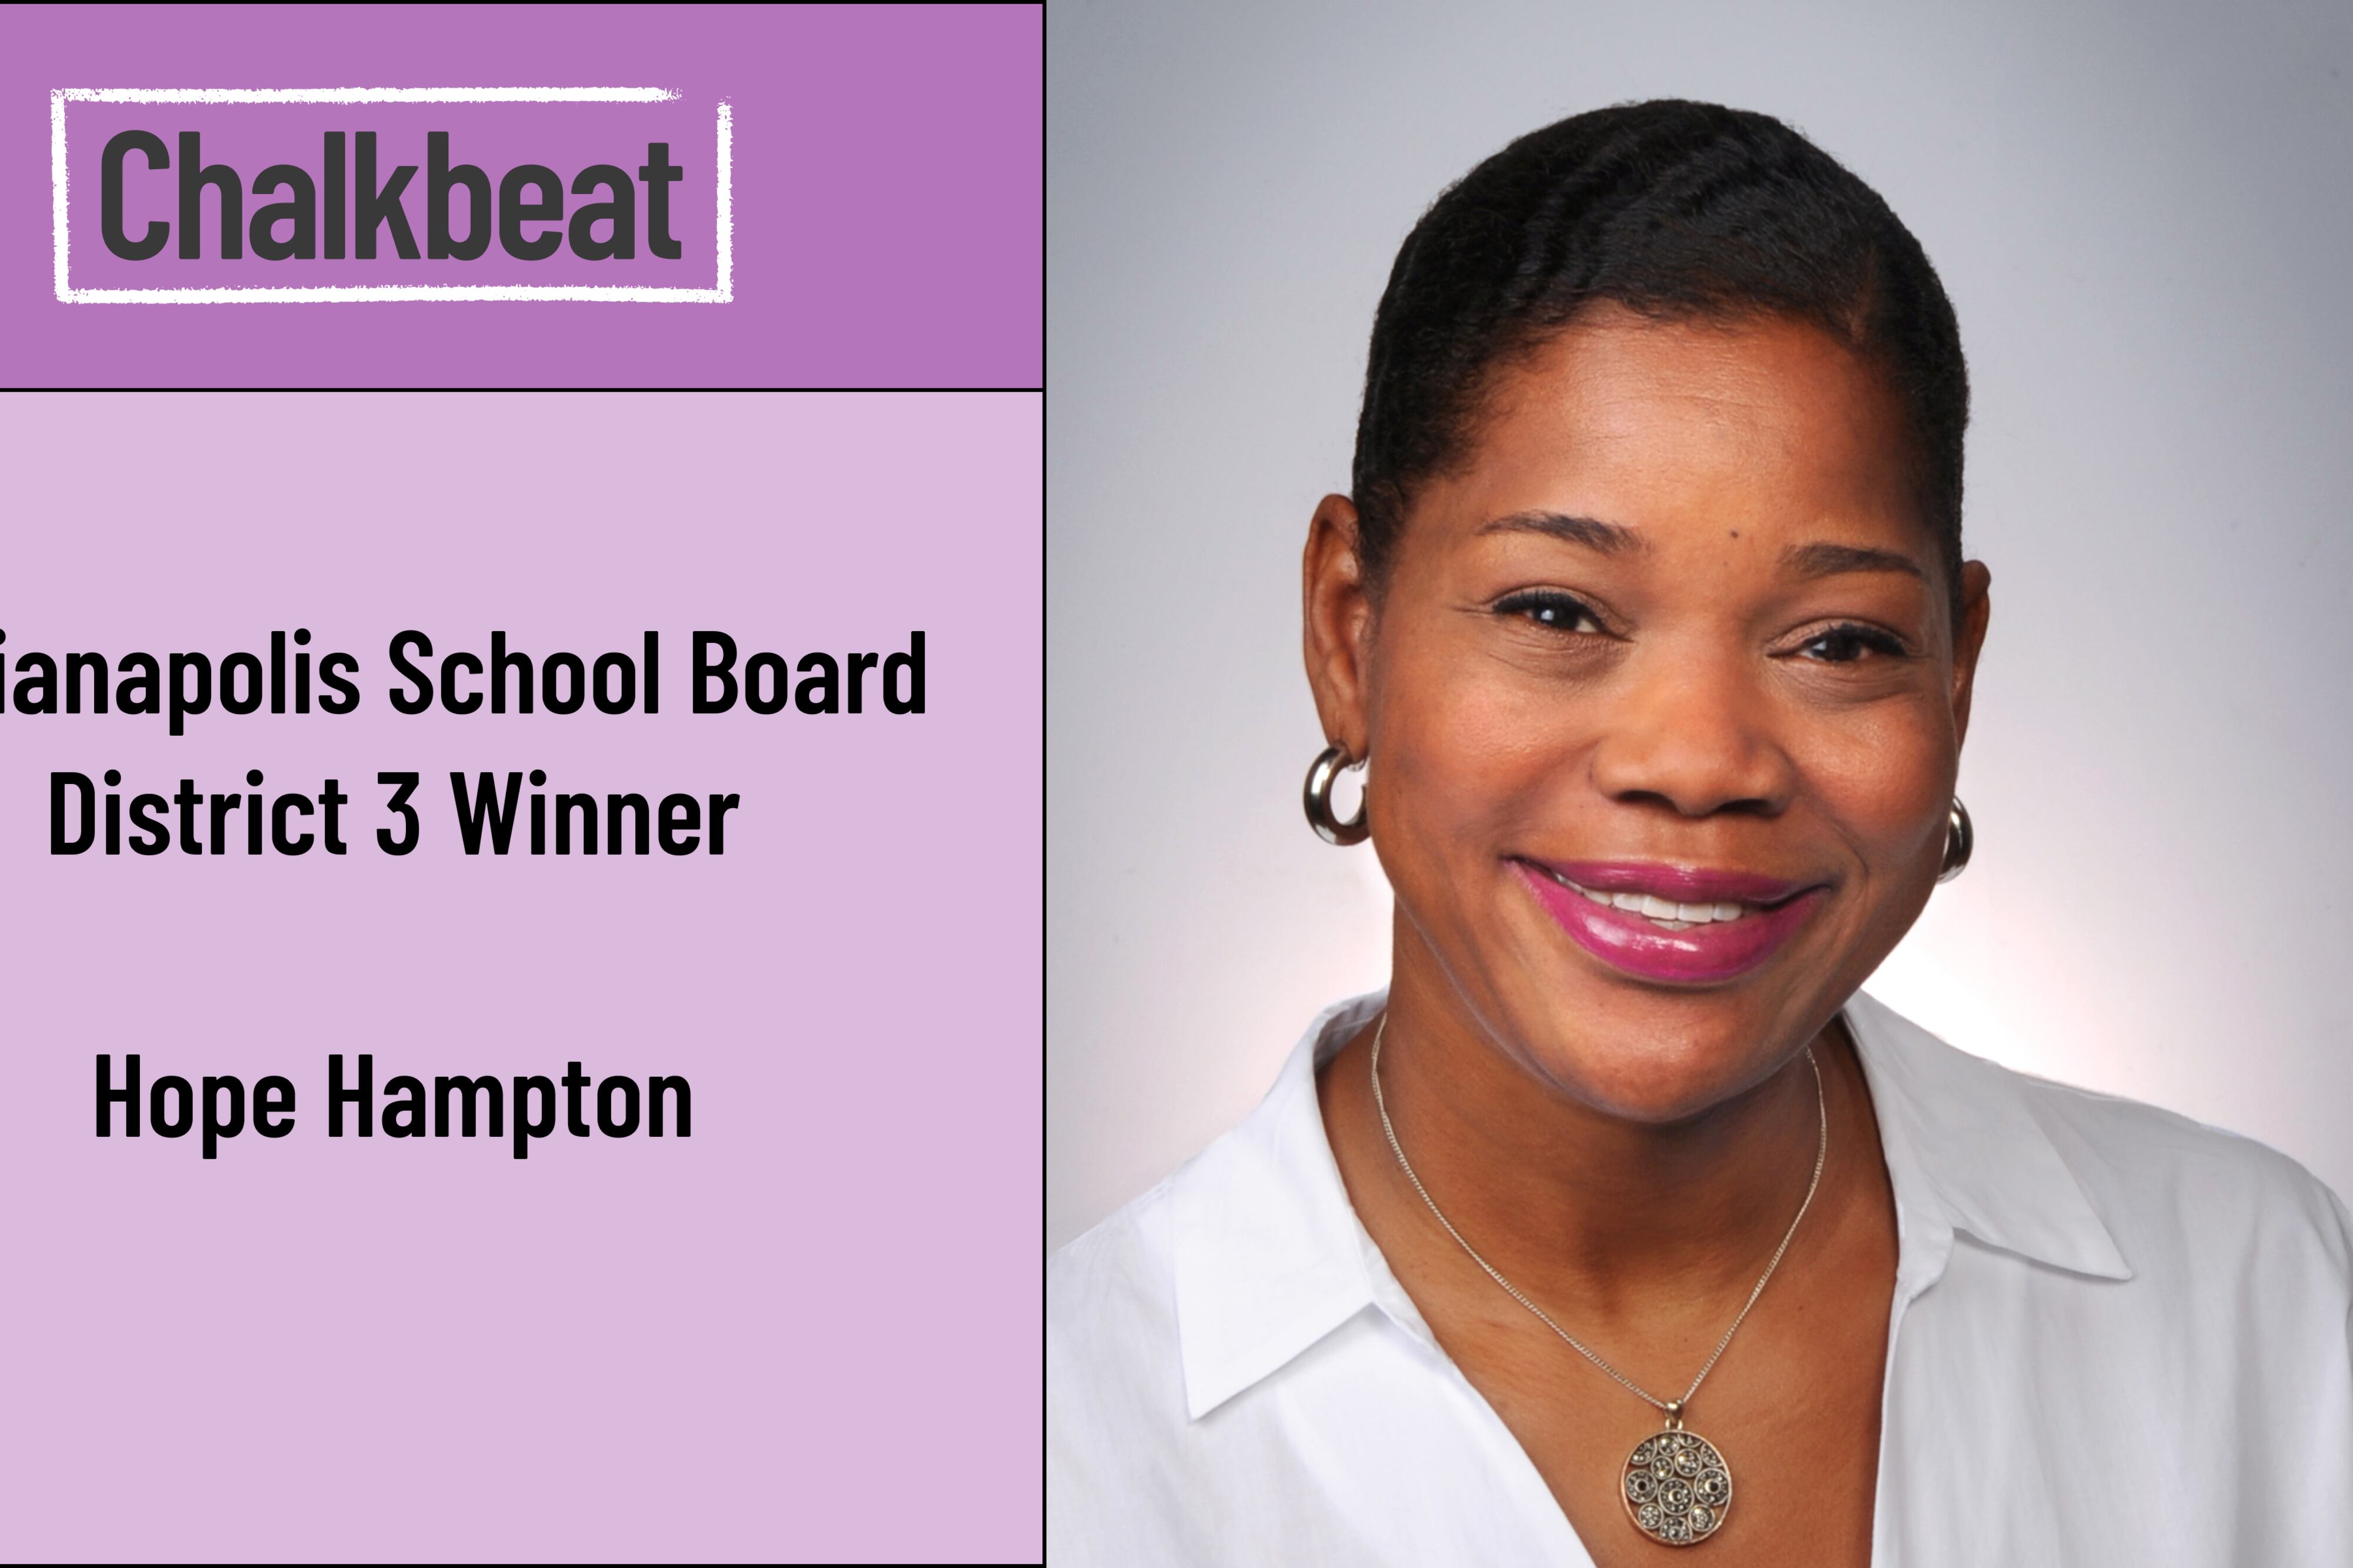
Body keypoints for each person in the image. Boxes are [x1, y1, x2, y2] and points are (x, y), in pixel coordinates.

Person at [1046, 101, 2353, 1565]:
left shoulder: (2261, 1302)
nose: (1698, 762)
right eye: (1554, 611)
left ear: (1957, 668)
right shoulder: (1045, 1449)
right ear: (1349, 634)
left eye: (1840, 641)